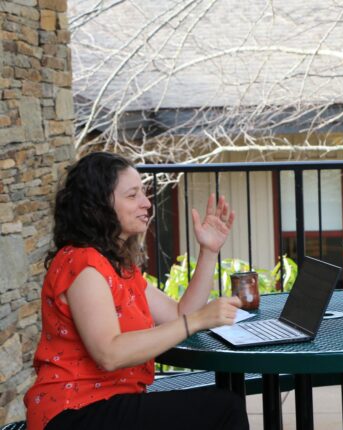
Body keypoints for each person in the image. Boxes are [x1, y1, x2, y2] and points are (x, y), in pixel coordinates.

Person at [24, 152, 249, 430]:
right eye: (132, 196)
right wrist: (197, 321)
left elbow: (179, 313)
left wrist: (209, 251)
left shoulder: (119, 267)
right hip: (74, 413)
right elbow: (110, 354)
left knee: (220, 407)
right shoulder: (84, 264)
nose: (146, 203)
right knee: (223, 409)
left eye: (143, 192)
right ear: (98, 205)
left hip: (111, 402)